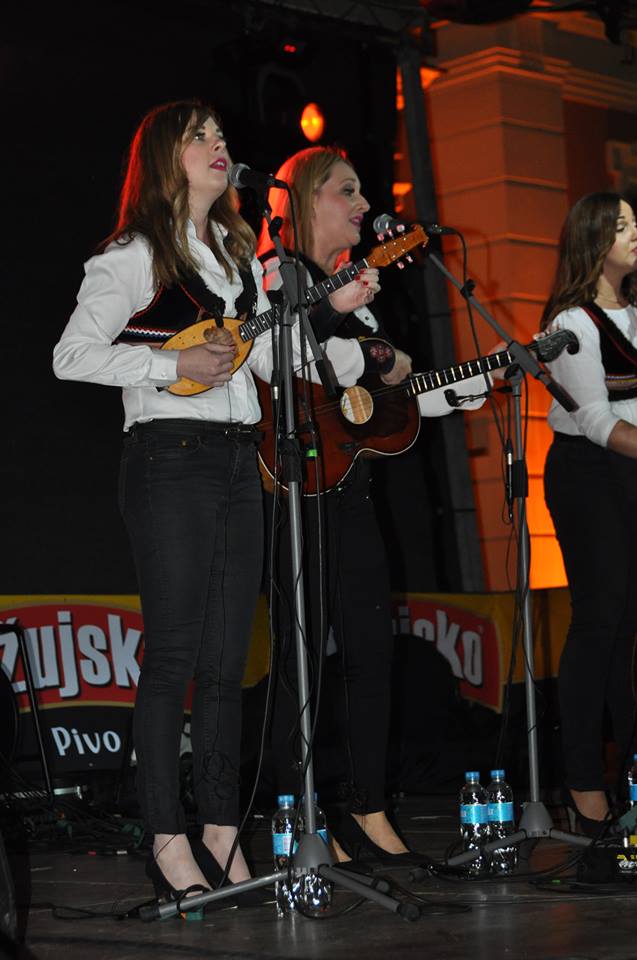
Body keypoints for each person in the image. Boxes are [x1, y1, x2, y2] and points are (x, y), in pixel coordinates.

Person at [52, 103, 379, 904]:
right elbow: (72, 355)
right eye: (198, 136)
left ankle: (223, 836)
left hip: (240, 462)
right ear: (164, 157)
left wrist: (326, 313)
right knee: (174, 655)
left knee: (228, 663)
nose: (217, 145)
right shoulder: (134, 254)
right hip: (168, 461)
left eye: (219, 136)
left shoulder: (236, 258)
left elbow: (265, 360)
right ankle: (167, 838)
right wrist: (170, 366)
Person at [256, 145, 488, 864]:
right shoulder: (277, 276)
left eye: (361, 192)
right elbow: (293, 360)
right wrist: (378, 355)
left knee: (370, 654)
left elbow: (373, 404)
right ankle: (301, 815)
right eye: (347, 191)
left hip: (351, 488)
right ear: (305, 200)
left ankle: (370, 807)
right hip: (294, 489)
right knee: (299, 662)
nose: (363, 205)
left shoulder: (358, 294)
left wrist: (454, 390)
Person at [541, 192, 637, 835]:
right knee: (599, 621)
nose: (635, 233)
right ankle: (581, 783)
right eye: (622, 225)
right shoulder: (572, 323)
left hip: (630, 471)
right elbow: (598, 423)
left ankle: (628, 774)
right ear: (593, 239)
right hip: (588, 474)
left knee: (628, 629)